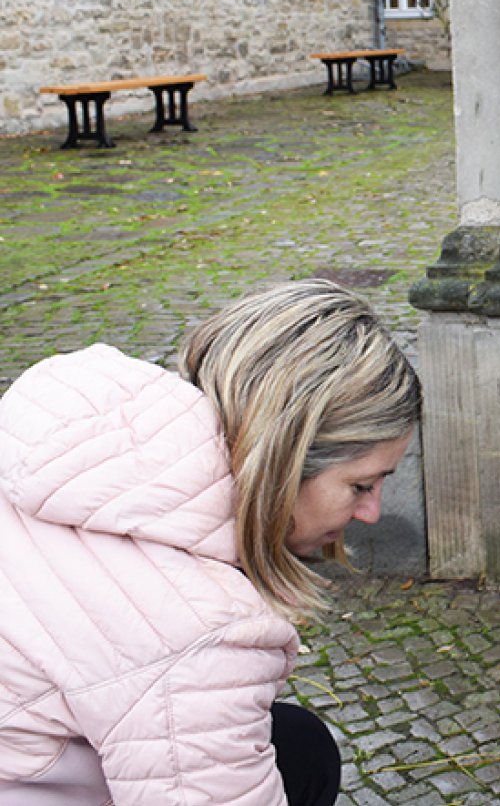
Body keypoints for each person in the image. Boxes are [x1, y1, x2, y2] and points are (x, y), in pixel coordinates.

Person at [0, 278, 421, 805]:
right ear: (285, 462)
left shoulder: (65, 444)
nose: (372, 512)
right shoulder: (198, 633)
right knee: (303, 755)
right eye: (361, 485)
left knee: (294, 744)